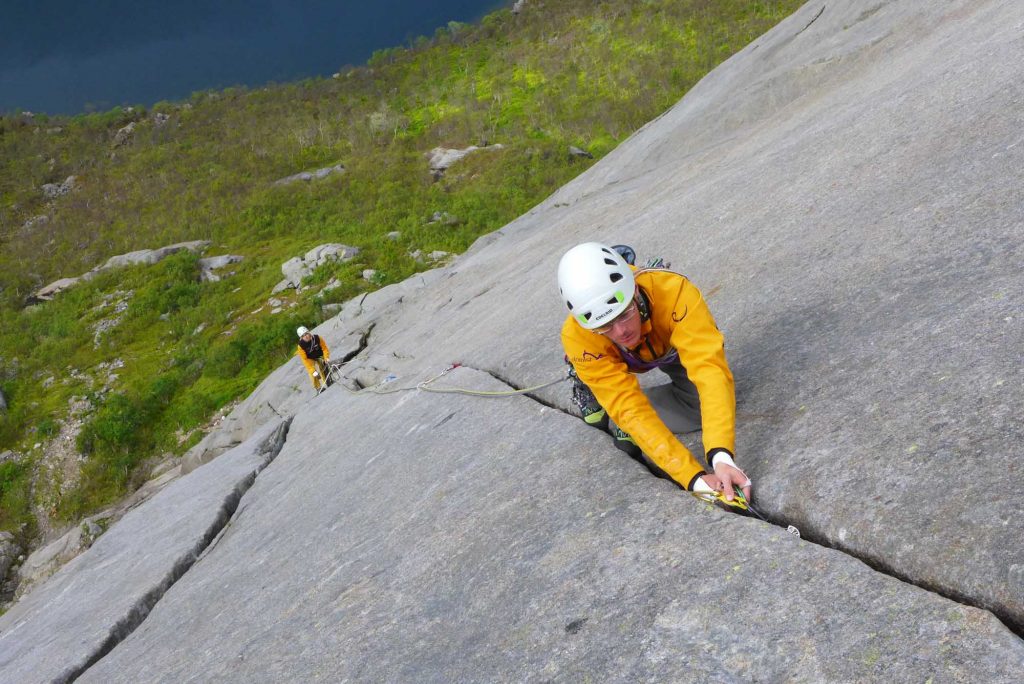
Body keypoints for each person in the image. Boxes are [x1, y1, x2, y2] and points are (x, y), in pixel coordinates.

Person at [558, 242, 752, 502]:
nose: (621, 332)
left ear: (635, 291)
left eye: (624, 314)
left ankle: (631, 422)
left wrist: (721, 455)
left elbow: (709, 370)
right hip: (610, 358)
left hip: (666, 341)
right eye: (605, 325)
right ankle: (587, 381)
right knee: (624, 424)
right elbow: (627, 407)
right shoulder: (579, 337)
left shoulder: (674, 292)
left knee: (699, 409)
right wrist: (691, 477)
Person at [295, 326, 332, 391]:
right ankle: (318, 388)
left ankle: (328, 380)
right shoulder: (301, 346)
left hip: (319, 355)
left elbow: (324, 348)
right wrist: (313, 371)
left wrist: (326, 358)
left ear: (309, 332)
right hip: (310, 358)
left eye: (306, 333)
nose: (306, 336)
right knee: (312, 374)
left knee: (323, 365)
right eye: (303, 336)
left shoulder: (317, 338)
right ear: (301, 338)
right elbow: (305, 360)